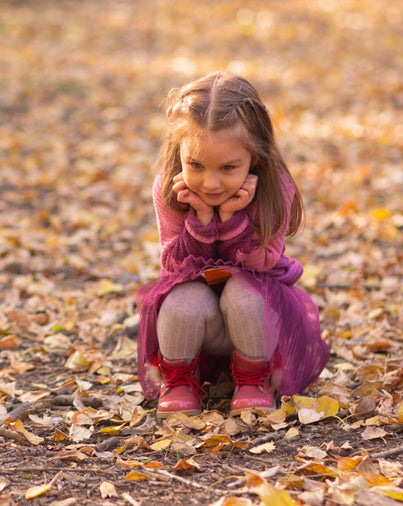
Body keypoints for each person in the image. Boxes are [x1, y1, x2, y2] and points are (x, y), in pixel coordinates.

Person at [136, 71, 328, 416]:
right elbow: (175, 267)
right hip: (201, 323)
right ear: (178, 152)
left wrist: (232, 219)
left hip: (258, 318)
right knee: (181, 300)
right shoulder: (170, 188)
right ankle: (180, 379)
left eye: (227, 167)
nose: (210, 183)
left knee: (245, 292)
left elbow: (261, 263)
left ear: (254, 156)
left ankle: (254, 378)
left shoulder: (275, 188)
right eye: (195, 164)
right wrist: (202, 222)